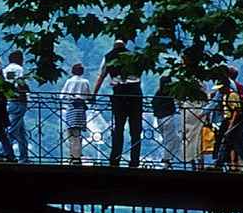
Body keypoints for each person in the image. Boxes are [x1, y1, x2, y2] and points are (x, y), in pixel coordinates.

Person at [93, 37, 145, 169]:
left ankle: (115, 159)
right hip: (135, 94)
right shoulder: (133, 56)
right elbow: (139, 74)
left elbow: (101, 76)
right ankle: (134, 161)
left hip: (119, 94)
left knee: (119, 127)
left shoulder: (109, 57)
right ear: (125, 43)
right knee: (135, 129)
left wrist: (94, 94)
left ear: (114, 44)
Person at [213, 68, 243, 171]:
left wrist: (230, 126)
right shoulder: (226, 95)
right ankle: (219, 165)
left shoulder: (232, 95)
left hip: (233, 123)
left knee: (239, 145)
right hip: (227, 121)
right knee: (225, 143)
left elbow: (236, 111)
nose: (219, 90)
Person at [59, 61, 91, 163]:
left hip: (71, 108)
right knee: (77, 132)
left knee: (71, 132)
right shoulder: (85, 82)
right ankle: (77, 155)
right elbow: (88, 96)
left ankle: (74, 155)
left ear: (72, 71)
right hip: (80, 109)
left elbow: (62, 95)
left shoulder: (69, 81)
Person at [3, 49, 32, 163]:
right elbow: (20, 84)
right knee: (12, 129)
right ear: (19, 59)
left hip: (9, 100)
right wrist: (26, 94)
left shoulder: (5, 70)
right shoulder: (19, 69)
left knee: (22, 133)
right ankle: (2, 154)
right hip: (18, 101)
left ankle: (24, 157)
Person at [152, 76, 179, 168]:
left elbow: (153, 103)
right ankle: (166, 160)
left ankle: (167, 159)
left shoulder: (158, 93)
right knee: (171, 140)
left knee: (171, 139)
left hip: (159, 119)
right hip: (168, 118)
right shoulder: (171, 93)